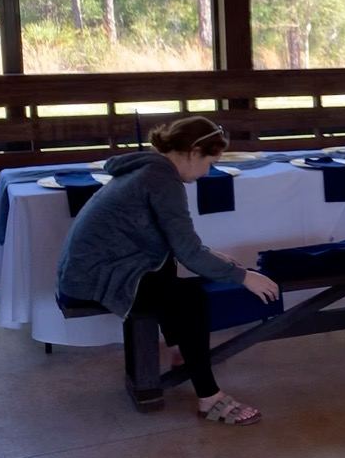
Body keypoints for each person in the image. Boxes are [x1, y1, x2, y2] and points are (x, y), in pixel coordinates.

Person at [57, 116, 279, 426]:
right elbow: (188, 251)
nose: (207, 172)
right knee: (190, 298)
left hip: (90, 270)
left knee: (173, 277)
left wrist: (216, 258)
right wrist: (244, 276)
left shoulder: (150, 169)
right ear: (193, 152)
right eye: (209, 162)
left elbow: (175, 243)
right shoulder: (161, 180)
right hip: (92, 278)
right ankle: (209, 397)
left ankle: (181, 350)